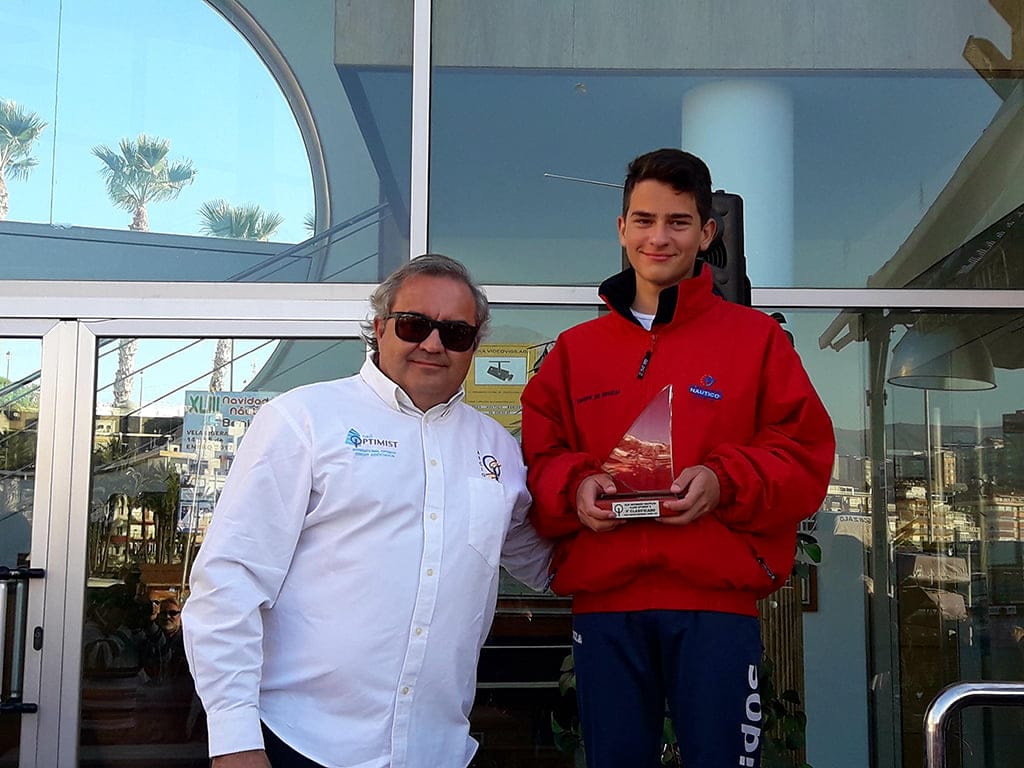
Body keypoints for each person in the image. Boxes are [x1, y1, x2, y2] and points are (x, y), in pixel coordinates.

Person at [520, 148, 835, 768]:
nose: (658, 237)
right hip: (606, 606)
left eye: (678, 221)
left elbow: (805, 457)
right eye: (643, 220)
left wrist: (723, 480)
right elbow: (538, 455)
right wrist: (576, 487)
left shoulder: (757, 340)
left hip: (714, 607)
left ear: (707, 232)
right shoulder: (574, 350)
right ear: (621, 228)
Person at [183, 253, 552, 768]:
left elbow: (544, 565)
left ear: (473, 346)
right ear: (379, 328)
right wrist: (234, 740)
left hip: (438, 750)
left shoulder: (497, 448)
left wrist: (641, 516)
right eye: (414, 325)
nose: (432, 343)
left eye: (455, 332)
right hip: (300, 744)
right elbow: (230, 582)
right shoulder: (303, 419)